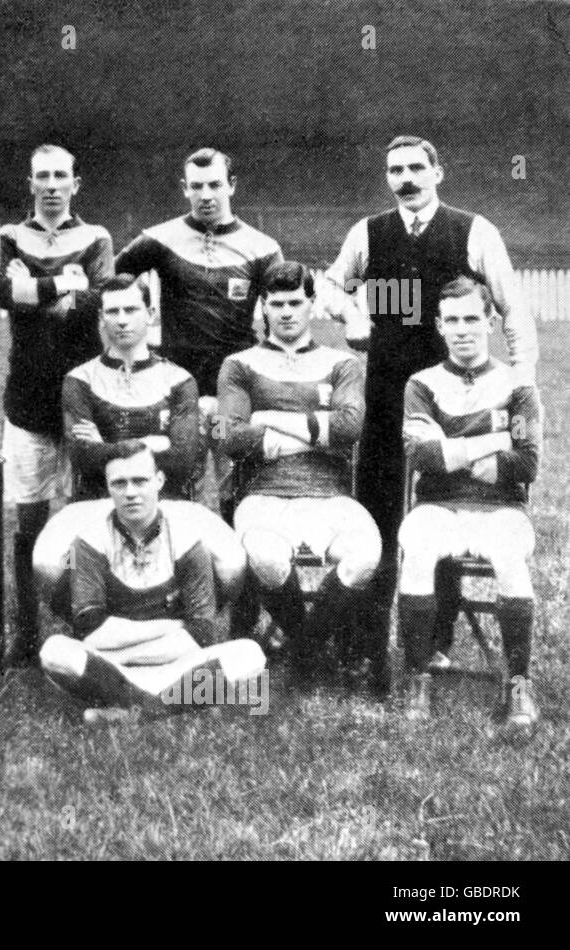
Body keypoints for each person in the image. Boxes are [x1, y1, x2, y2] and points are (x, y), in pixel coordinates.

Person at [321, 135, 539, 685]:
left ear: (438, 171)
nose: (406, 178)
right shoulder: (369, 233)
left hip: (452, 401)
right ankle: (366, 644)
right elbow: (328, 285)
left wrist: (522, 387)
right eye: (396, 170)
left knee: (441, 505)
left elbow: (513, 311)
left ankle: (434, 644)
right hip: (386, 393)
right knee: (375, 515)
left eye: (417, 167)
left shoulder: (473, 230)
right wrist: (351, 311)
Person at [218, 261, 380, 684]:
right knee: (267, 558)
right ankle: (311, 650)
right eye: (276, 304)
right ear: (263, 308)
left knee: (366, 556)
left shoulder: (341, 363)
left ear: (313, 304)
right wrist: (317, 430)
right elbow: (234, 437)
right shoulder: (239, 365)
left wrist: (270, 418)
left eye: (295, 302)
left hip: (331, 496)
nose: (286, 312)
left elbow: (349, 428)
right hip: (265, 494)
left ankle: (303, 647)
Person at [398, 276, 541, 735]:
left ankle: (519, 683)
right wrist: (494, 441)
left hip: (502, 508)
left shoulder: (518, 386)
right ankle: (417, 676)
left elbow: (526, 463)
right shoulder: (421, 384)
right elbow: (422, 456)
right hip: (437, 505)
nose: (462, 330)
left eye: (472, 319)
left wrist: (455, 446)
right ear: (439, 325)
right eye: (452, 320)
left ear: (491, 321)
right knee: (417, 545)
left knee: (508, 554)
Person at [37, 445, 265, 725]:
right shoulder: (90, 541)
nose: (130, 492)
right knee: (55, 651)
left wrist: (125, 647)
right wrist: (175, 628)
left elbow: (203, 635)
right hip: (114, 666)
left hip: (174, 666)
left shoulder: (187, 538)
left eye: (140, 481)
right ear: (108, 488)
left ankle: (136, 711)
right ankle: (174, 705)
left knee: (250, 655)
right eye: (119, 483)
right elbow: (91, 630)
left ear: (159, 481)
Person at [113, 147, 283, 518]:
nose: (206, 195)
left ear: (232, 185)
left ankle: (236, 569)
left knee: (233, 482)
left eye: (215, 185)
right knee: (177, 484)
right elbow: (111, 281)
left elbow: (282, 321)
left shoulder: (262, 248)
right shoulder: (159, 239)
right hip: (179, 396)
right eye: (197, 186)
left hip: (231, 397)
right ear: (184, 188)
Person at [0, 143, 112, 666]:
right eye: (41, 175)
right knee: (30, 519)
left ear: (76, 183)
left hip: (84, 396)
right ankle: (26, 629)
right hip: (26, 398)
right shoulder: (7, 236)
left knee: (86, 514)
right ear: (30, 182)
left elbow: (95, 304)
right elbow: (1, 293)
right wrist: (60, 284)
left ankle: (88, 621)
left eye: (60, 175)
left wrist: (34, 288)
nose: (50, 184)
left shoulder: (97, 238)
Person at [63, 275, 201, 501]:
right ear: (101, 318)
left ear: (150, 314)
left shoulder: (179, 380)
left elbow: (182, 462)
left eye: (131, 310)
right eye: (112, 311)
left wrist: (104, 446)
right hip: (99, 501)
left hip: (164, 501)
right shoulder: (80, 380)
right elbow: (83, 459)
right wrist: (153, 443)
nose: (122, 320)